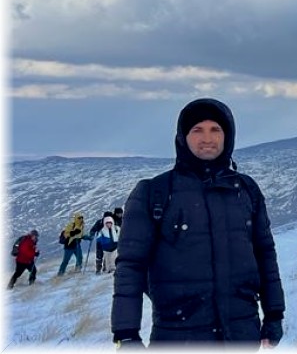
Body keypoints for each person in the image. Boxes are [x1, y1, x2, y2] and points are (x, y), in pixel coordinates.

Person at [111, 97, 286, 346]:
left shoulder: (246, 190)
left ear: (228, 136)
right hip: (177, 335)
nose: (207, 138)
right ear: (183, 137)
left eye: (216, 129)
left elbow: (265, 254)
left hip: (241, 333)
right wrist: (126, 333)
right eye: (197, 130)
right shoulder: (154, 193)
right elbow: (130, 265)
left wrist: (274, 314)